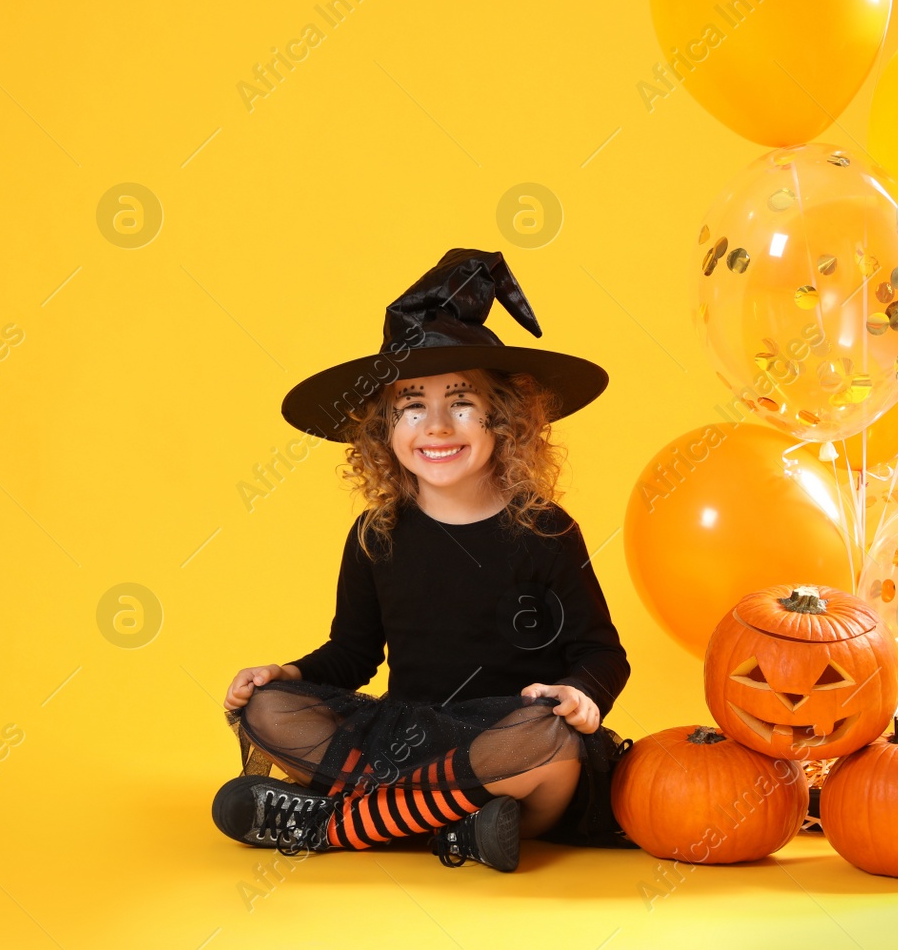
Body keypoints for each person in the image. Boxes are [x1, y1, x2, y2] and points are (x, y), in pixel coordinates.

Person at [211, 249, 637, 872]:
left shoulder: (546, 530)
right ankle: (453, 827)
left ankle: (335, 827)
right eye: (412, 405)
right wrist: (290, 676)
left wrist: (578, 695)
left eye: (460, 401)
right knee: (266, 709)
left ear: (503, 418)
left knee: (550, 739)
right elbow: (351, 655)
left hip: (508, 742)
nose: (436, 425)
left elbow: (602, 653)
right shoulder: (376, 535)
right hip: (411, 741)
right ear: (385, 428)